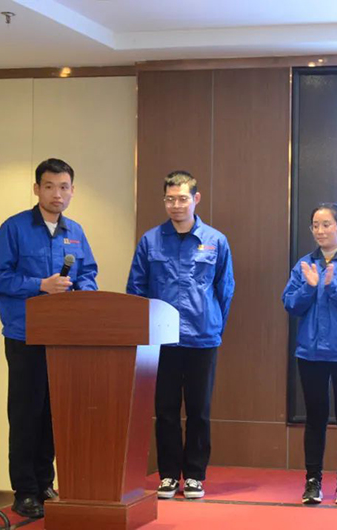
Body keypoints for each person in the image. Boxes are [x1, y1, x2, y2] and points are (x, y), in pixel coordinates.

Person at [0, 158, 98, 518]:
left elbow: (89, 273)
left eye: (64, 187)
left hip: (64, 337)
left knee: (53, 412)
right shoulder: (15, 227)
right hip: (25, 335)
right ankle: (25, 490)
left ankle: (45, 483)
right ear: (37, 189)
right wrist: (40, 285)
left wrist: (83, 291)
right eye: (49, 186)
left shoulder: (75, 231)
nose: (57, 194)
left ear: (72, 191)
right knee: (25, 413)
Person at [127, 170, 234, 500]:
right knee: (166, 410)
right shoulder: (150, 241)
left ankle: (196, 475)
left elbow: (225, 290)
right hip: (162, 341)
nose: (176, 205)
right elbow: (136, 289)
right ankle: (169, 474)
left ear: (196, 199)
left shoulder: (216, 240)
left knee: (199, 410)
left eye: (182, 198)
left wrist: (213, 324)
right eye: (170, 199)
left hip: (203, 338)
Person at [282, 203, 337, 505]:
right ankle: (313, 481)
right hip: (311, 354)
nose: (320, 231)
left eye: (326, 225)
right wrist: (309, 288)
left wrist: (333, 287)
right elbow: (291, 304)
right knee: (315, 418)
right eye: (316, 225)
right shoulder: (304, 264)